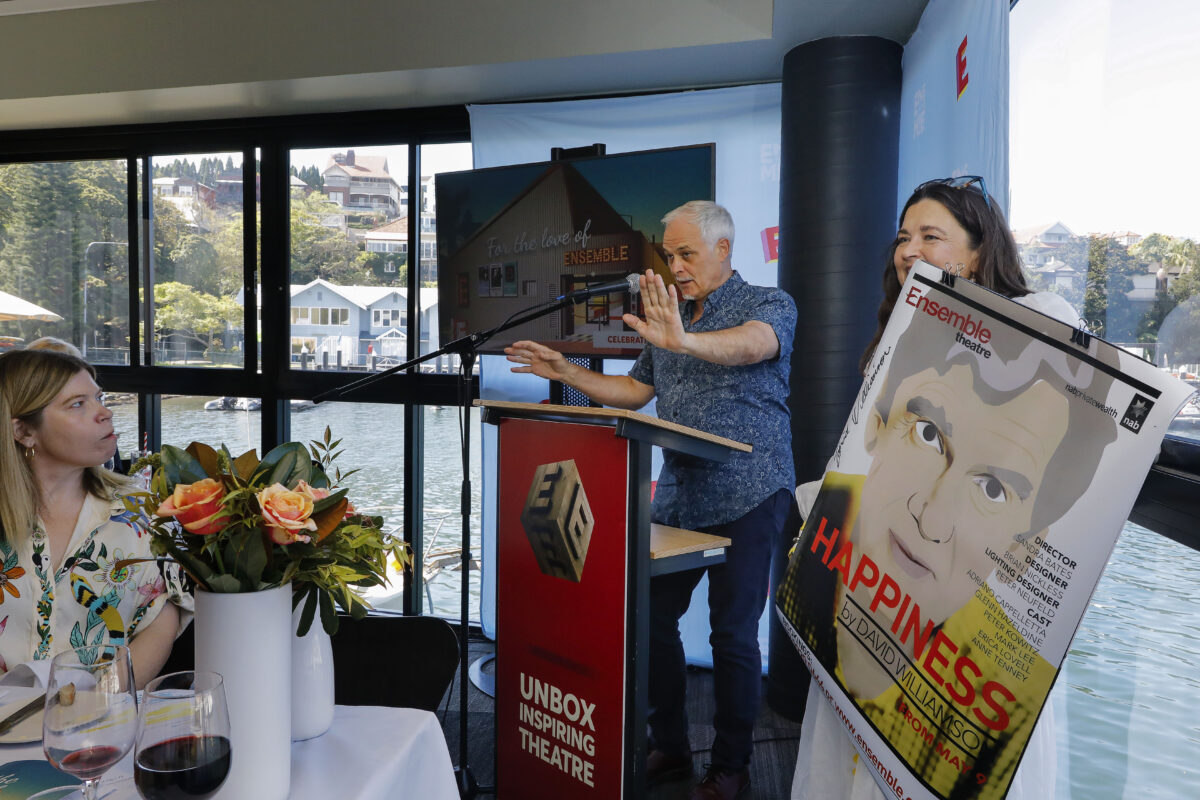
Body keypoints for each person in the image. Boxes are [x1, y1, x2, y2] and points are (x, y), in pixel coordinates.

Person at [786, 177, 1110, 800]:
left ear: (979, 251)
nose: (909, 250)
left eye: (932, 237)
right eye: (903, 238)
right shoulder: (904, 341)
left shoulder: (1042, 319)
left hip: (960, 634)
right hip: (871, 605)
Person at [505, 200, 796, 800]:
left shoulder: (769, 304)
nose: (675, 265)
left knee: (732, 635)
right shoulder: (669, 316)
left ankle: (732, 765)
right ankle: (668, 742)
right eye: (669, 254)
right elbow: (633, 393)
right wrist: (567, 370)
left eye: (686, 253)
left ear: (723, 249)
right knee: (652, 620)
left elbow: (751, 346)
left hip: (751, 489)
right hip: (681, 492)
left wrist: (684, 340)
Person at [0, 349, 187, 689]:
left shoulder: (140, 513)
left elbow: (161, 618)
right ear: (23, 431)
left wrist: (96, 708)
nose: (105, 412)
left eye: (98, 398)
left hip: (101, 727)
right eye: (77, 404)